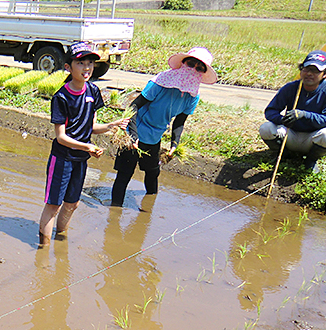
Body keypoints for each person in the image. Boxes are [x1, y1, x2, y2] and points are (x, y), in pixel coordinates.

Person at [38, 42, 128, 247]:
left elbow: (91, 126)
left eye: (90, 63)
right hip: (62, 158)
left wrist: (111, 126)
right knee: (54, 205)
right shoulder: (61, 97)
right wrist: (88, 147)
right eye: (81, 63)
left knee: (72, 203)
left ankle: (60, 242)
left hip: (80, 159)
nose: (86, 67)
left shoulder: (93, 91)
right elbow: (61, 137)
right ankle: (43, 250)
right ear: (68, 67)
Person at [111, 47, 217, 207]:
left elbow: (180, 122)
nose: (194, 69)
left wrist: (174, 144)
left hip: (155, 136)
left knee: (153, 172)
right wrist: (132, 136)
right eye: (191, 63)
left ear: (202, 73)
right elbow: (134, 106)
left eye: (199, 67)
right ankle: (114, 213)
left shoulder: (192, 96)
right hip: (135, 130)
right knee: (125, 174)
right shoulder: (160, 82)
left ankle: (149, 204)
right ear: (183, 63)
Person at [259, 50, 326, 171]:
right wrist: (283, 120)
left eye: (315, 71)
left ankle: (311, 160)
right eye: (306, 69)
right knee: (265, 128)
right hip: (290, 134)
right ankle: (284, 155)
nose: (309, 74)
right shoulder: (291, 88)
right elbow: (270, 111)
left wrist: (304, 115)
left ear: (325, 74)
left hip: (313, 138)